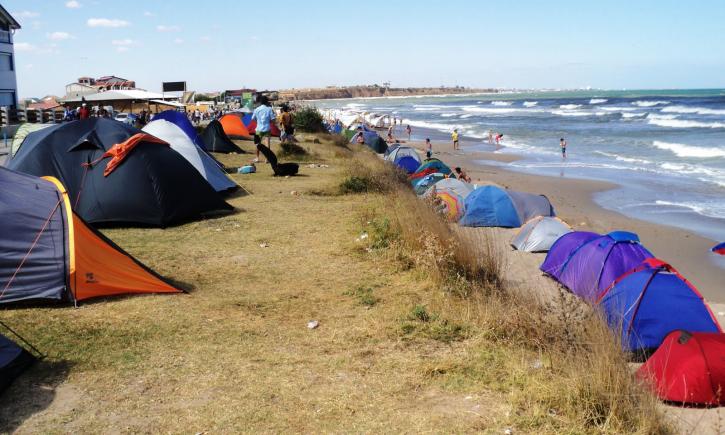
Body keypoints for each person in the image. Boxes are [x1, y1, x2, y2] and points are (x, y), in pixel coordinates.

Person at [251, 95, 277, 162]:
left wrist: (258, 122)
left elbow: (253, 118)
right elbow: (273, 120)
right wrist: (269, 121)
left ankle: (257, 158)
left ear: (260, 102)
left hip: (258, 129)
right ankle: (267, 159)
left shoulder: (257, 109)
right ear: (267, 102)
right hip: (267, 128)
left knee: (258, 144)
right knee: (267, 144)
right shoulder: (269, 109)